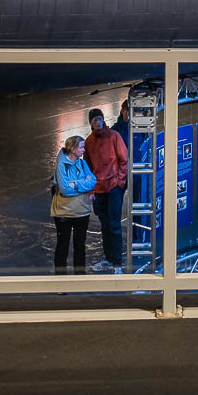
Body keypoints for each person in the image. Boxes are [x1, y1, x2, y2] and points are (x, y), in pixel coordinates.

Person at [83, 106, 129, 273]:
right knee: (105, 225)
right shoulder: (88, 142)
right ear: (91, 123)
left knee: (114, 224)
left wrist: (120, 182)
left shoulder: (114, 136)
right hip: (99, 189)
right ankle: (108, 258)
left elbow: (124, 159)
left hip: (114, 188)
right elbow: (87, 166)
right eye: (95, 120)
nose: (98, 122)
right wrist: (91, 190)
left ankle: (117, 263)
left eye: (100, 119)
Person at [50, 135, 96, 274]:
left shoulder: (82, 164)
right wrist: (83, 184)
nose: (84, 149)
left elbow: (93, 181)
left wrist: (75, 184)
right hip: (64, 212)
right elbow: (65, 190)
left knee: (80, 246)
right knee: (62, 247)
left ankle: (80, 277)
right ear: (73, 148)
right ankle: (61, 280)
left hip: (82, 212)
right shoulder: (61, 166)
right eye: (81, 147)